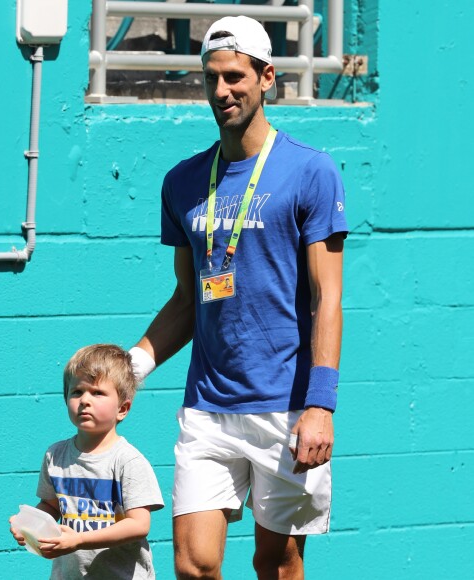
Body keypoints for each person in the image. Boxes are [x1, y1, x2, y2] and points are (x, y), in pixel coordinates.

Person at [128, 15, 348, 580]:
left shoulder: (311, 171)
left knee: (276, 564)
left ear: (267, 77)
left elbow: (327, 298)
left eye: (235, 77)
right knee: (194, 567)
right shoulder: (182, 182)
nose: (221, 91)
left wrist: (321, 406)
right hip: (207, 408)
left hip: (288, 406)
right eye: (211, 78)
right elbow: (187, 298)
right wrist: (131, 369)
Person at [9, 344, 164, 579]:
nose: (84, 400)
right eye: (77, 392)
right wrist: (29, 525)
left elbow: (138, 525)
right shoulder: (56, 455)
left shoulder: (128, 460)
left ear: (122, 409)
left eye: (97, 392)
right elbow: (50, 506)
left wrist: (79, 540)